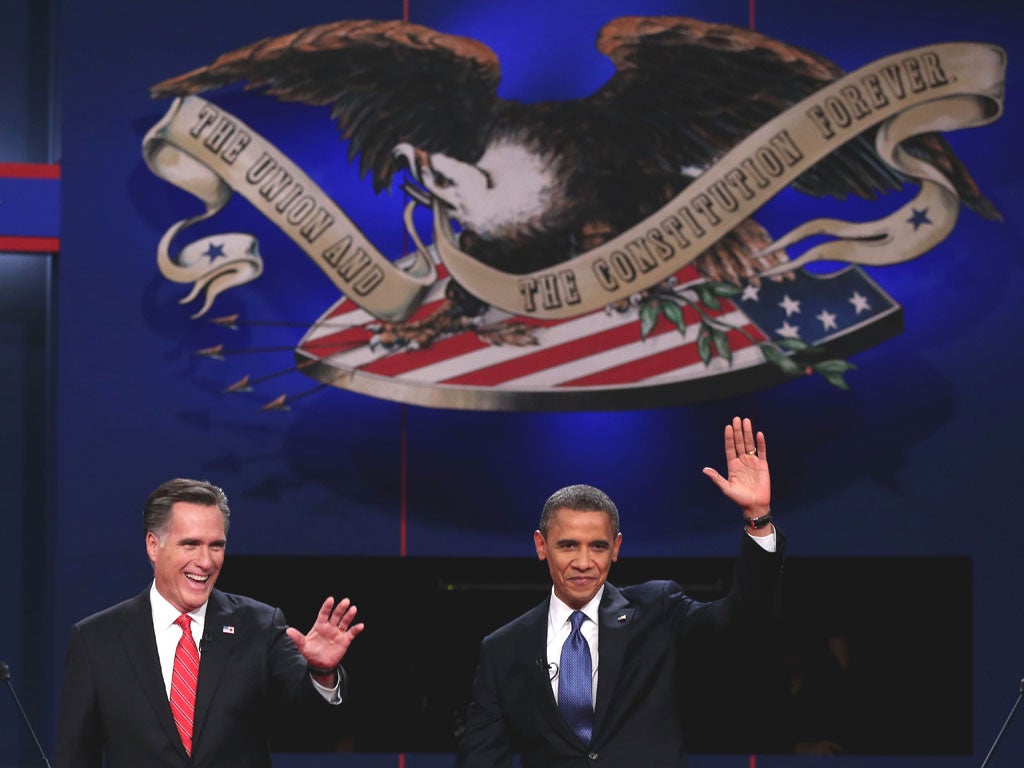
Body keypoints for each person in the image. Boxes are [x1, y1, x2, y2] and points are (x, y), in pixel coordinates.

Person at [455, 416, 784, 768]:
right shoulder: (504, 648)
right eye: (568, 546)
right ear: (541, 545)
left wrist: (758, 518)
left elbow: (743, 621)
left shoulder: (657, 609)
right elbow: (481, 758)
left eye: (597, 546)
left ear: (616, 548)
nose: (584, 562)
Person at [56, 478, 365, 768]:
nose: (206, 561)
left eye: (216, 545)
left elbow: (311, 721)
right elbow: (76, 758)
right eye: (190, 544)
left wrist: (322, 673)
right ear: (153, 545)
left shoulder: (259, 625)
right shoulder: (96, 640)